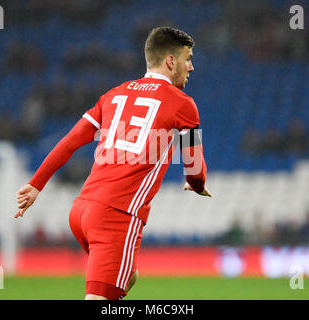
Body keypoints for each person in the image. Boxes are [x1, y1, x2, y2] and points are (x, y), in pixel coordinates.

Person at [14, 26, 212, 300]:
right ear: (170, 61)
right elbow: (195, 169)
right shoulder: (182, 103)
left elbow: (69, 142)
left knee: (128, 276)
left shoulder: (113, 94)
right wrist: (197, 185)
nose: (191, 67)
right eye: (188, 58)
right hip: (116, 216)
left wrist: (36, 185)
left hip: (81, 212)